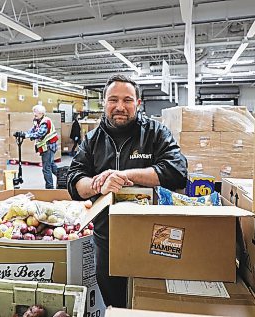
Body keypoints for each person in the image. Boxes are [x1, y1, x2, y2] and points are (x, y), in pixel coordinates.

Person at [66, 74, 187, 308]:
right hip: (107, 239)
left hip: (155, 238)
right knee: (116, 304)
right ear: (104, 103)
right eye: (113, 100)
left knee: (153, 303)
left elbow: (177, 171)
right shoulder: (92, 140)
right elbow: (73, 181)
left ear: (138, 103)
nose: (120, 107)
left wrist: (126, 175)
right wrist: (97, 184)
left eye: (127, 100)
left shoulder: (155, 133)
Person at [26, 104, 59, 189]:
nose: (34, 114)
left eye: (35, 112)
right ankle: (64, 177)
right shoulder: (38, 121)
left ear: (41, 113)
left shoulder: (45, 121)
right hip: (47, 147)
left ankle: (49, 188)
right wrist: (25, 134)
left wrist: (27, 136)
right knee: (51, 165)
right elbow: (33, 129)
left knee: (46, 168)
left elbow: (40, 133)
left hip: (48, 146)